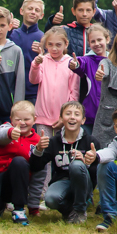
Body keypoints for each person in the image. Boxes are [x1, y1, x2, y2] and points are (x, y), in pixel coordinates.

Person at [27, 26, 80, 212]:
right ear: (45, 45)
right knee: (44, 155)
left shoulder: (70, 63)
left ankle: (65, 191)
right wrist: (35, 64)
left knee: (63, 154)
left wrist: (65, 117)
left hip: (62, 119)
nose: (54, 48)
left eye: (58, 44)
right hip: (43, 117)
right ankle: (42, 192)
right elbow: (34, 80)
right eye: (50, 45)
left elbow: (74, 92)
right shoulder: (42, 61)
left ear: (66, 44)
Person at [30, 101, 99, 224]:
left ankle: (80, 210)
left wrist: (88, 162)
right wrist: (38, 150)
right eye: (68, 114)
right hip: (62, 181)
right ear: (61, 119)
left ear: (83, 120)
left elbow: (98, 172)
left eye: (76, 114)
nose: (72, 117)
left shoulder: (91, 141)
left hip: (84, 183)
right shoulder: (54, 141)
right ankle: (71, 210)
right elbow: (36, 166)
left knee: (77, 165)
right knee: (50, 199)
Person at [0, 100, 40, 225]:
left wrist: (34, 205)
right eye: (18, 119)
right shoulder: (5, 128)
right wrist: (10, 133)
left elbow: (38, 171)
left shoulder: (37, 141)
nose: (22, 123)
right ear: (11, 119)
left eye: (26, 119)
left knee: (19, 161)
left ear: (34, 120)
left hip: (16, 182)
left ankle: (19, 209)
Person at [8, 0, 45, 106]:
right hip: (11, 89)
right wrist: (8, 29)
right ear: (21, 11)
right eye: (30, 9)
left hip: (33, 92)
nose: (33, 12)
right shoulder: (11, 34)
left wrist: (43, 53)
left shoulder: (43, 38)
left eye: (37, 10)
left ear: (41, 15)